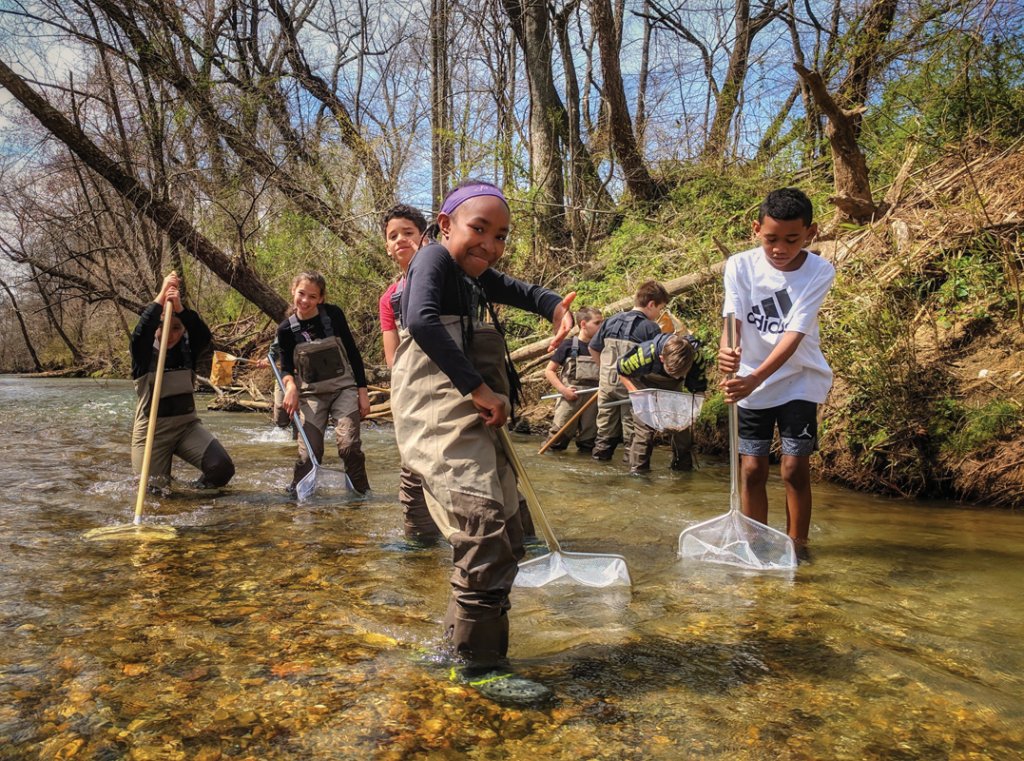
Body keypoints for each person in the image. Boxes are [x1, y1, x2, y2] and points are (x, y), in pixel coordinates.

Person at [392, 180, 573, 697]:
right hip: (436, 411)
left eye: (500, 236)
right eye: (479, 229)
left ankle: (458, 649)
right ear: (445, 225)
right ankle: (479, 668)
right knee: (485, 527)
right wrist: (478, 388)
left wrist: (556, 308)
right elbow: (422, 321)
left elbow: (527, 293)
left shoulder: (474, 275)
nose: (490, 246)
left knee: (510, 529)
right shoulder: (431, 260)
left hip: (468, 411)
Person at [718, 187, 833, 559]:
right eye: (771, 240)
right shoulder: (740, 265)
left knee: (792, 467)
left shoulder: (819, 271)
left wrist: (755, 377)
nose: (780, 249)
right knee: (751, 468)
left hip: (799, 378)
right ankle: (757, 545)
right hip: (749, 378)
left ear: (810, 234)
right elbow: (732, 316)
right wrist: (726, 349)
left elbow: (794, 335)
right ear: (756, 229)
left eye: (792, 239)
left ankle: (797, 547)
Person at [129, 272, 235, 490]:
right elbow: (141, 333)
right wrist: (160, 298)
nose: (169, 333)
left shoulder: (189, 349)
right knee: (153, 491)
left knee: (222, 468)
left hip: (186, 428)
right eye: (162, 326)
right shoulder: (143, 353)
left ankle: (192, 496)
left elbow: (203, 335)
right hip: (152, 432)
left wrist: (179, 308)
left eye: (176, 327)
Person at [277, 271, 372, 495]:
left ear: (321, 298)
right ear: (293, 291)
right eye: (301, 294)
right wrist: (290, 386)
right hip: (311, 395)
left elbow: (353, 353)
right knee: (309, 452)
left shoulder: (333, 315)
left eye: (312, 296)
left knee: (348, 446)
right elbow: (286, 369)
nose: (305, 301)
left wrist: (363, 391)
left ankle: (361, 494)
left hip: (344, 390)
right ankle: (296, 494)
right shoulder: (285, 330)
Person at [378, 203, 441, 540]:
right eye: (392, 236)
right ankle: (420, 543)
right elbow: (393, 358)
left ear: (423, 237)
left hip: (454, 382)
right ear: (387, 247)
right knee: (412, 467)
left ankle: (519, 538)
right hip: (412, 388)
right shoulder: (389, 298)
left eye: (408, 233)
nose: (400, 239)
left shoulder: (444, 272)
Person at [588, 280, 668, 462]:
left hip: (606, 385)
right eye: (660, 308)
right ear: (651, 304)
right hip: (632, 389)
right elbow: (655, 359)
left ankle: (598, 466)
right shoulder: (651, 328)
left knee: (604, 432)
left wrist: (604, 371)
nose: (659, 314)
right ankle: (630, 471)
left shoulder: (611, 320)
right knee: (632, 434)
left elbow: (593, 348)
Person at [617, 330, 707, 473]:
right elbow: (622, 372)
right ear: (661, 358)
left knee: (682, 432)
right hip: (643, 387)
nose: (677, 374)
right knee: (644, 434)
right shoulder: (644, 355)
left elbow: (699, 390)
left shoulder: (696, 358)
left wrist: (694, 412)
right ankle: (638, 473)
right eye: (673, 371)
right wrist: (636, 393)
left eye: (681, 372)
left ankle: (682, 470)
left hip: (673, 390)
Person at [543, 307, 603, 451]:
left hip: (593, 401)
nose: (601, 327)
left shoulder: (602, 347)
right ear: (583, 324)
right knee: (556, 443)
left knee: (588, 444)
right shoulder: (568, 345)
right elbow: (549, 371)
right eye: (597, 323)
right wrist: (563, 390)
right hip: (570, 399)